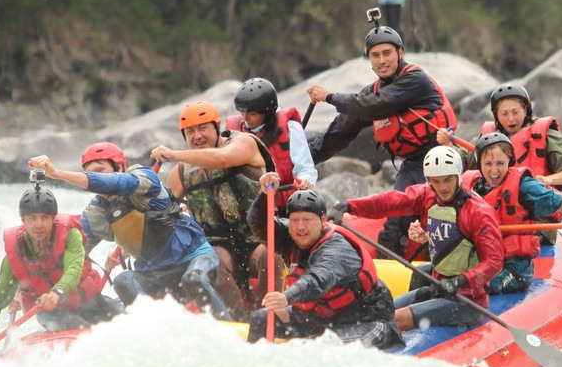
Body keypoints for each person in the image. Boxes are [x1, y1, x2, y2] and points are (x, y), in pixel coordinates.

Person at [27, 142, 232, 320]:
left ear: (120, 167)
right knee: (123, 280)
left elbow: (116, 183)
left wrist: (56, 173)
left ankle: (227, 326)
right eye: (90, 173)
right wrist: (44, 291)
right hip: (154, 272)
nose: (96, 178)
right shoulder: (96, 212)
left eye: (100, 170)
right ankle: (155, 331)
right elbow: (74, 255)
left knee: (193, 280)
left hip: (193, 257)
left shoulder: (143, 178)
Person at [306, 21, 457, 255]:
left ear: (400, 52)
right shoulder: (373, 90)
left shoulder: (415, 80)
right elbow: (341, 130)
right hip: (412, 165)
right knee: (393, 226)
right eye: (375, 55)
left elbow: (375, 106)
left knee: (428, 220)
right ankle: (388, 281)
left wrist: (330, 97)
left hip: (441, 161)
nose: (381, 60)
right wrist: (305, 160)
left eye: (387, 53)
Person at [330, 146, 503, 331]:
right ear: (429, 181)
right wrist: (348, 207)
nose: (443, 187)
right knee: (378, 312)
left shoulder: (479, 212)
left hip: (468, 300)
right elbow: (390, 202)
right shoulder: (427, 196)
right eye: (436, 181)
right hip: (438, 289)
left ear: (458, 176)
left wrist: (460, 281)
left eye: (448, 180)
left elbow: (494, 261)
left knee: (397, 318)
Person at [150, 100, 275, 320]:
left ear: (217, 128)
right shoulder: (181, 173)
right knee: (212, 261)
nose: (197, 136)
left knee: (270, 256)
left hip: (261, 240)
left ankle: (263, 317)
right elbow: (160, 213)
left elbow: (223, 158)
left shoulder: (243, 143)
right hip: (221, 248)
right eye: (190, 132)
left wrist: (175, 154)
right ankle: (237, 321)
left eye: (203, 128)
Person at [245, 180, 404, 349]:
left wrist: (286, 297)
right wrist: (265, 194)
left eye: (307, 220)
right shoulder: (291, 236)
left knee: (322, 346)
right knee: (260, 319)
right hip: (319, 320)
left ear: (323, 220)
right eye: (295, 220)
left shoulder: (337, 248)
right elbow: (258, 223)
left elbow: (317, 280)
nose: (300, 227)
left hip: (367, 322)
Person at [0, 187, 122, 336]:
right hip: (52, 314)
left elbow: (74, 270)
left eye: (45, 217)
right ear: (23, 220)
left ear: (54, 219)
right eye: (32, 218)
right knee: (80, 331)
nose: (39, 224)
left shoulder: (71, 235)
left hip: (88, 301)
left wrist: (56, 294)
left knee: (124, 319)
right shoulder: (14, 257)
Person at [462, 133, 562, 294]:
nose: (494, 170)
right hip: (482, 263)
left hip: (514, 269)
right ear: (479, 164)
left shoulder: (523, 186)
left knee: (465, 287)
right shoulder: (473, 187)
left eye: (500, 163)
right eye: (488, 164)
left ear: (509, 162)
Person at [445, 82, 562, 191]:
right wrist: (448, 146)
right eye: (504, 114)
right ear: (496, 115)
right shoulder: (488, 137)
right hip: (495, 208)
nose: (511, 119)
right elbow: (460, 161)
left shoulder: (546, 135)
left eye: (515, 112)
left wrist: (548, 180)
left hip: (538, 208)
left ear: (526, 110)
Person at [224, 77, 318, 210]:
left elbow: (305, 168)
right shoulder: (232, 133)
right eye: (242, 112)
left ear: (267, 113)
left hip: (287, 204)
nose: (245, 118)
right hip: (251, 206)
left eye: (252, 114)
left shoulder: (291, 128)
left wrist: (305, 182)